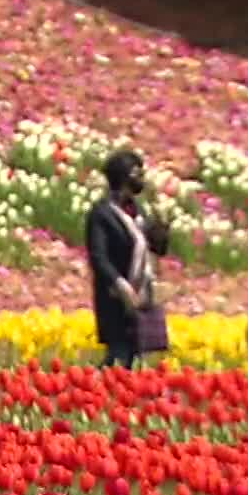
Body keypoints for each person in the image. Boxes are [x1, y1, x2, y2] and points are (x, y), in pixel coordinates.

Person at [86, 150, 165, 368]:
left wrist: (161, 229)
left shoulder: (137, 212)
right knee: (119, 355)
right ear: (122, 177)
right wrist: (121, 286)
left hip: (141, 294)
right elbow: (98, 257)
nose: (141, 179)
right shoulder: (102, 214)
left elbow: (157, 249)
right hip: (115, 298)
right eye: (136, 173)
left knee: (135, 357)